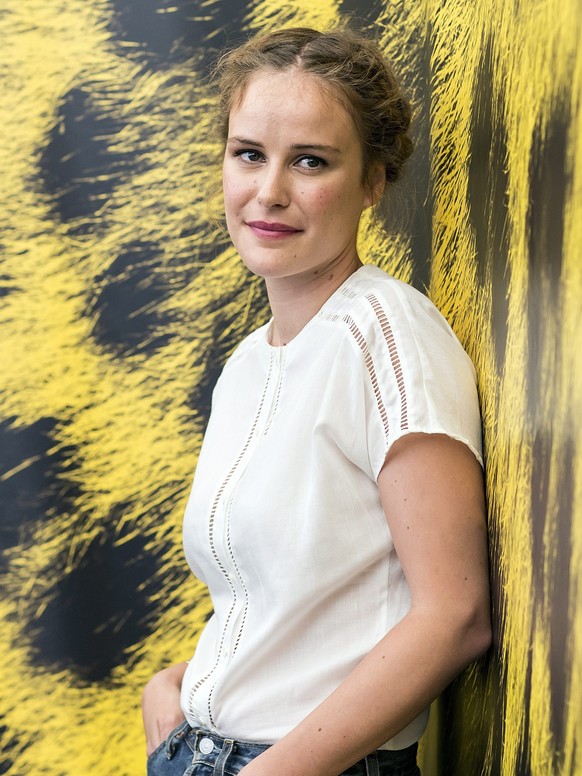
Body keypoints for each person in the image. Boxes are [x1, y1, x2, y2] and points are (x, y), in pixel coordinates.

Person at [142, 25, 491, 776]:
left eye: (310, 161)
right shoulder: (245, 363)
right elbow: (276, 601)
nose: (268, 192)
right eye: (248, 154)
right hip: (197, 752)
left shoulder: (390, 332)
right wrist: (173, 689)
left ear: (373, 181)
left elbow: (454, 616)